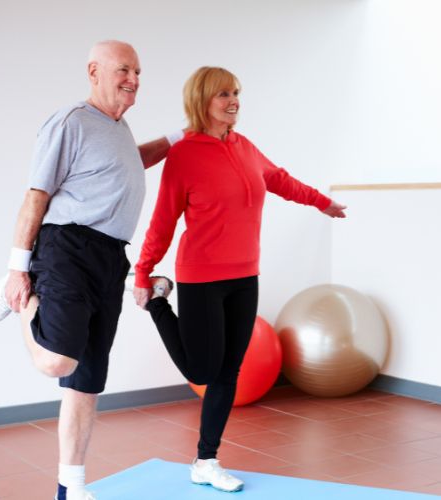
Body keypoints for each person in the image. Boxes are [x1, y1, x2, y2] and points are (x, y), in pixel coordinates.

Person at [0, 40, 183, 500]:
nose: (133, 79)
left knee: (87, 381)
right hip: (67, 247)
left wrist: (180, 136)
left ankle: (70, 488)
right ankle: (15, 298)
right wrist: (19, 267)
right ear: (94, 71)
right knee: (58, 360)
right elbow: (36, 195)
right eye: (124, 70)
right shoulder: (71, 121)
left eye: (138, 72)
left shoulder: (117, 128)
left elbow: (137, 158)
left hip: (110, 257)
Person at [132, 66, 346, 493]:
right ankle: (157, 301)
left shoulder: (245, 147)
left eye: (236, 94)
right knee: (200, 368)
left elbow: (278, 179)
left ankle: (206, 460)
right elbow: (163, 220)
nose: (234, 102)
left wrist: (320, 202)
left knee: (228, 372)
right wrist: (142, 272)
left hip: (245, 275)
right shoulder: (184, 155)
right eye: (224, 94)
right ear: (202, 100)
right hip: (200, 277)